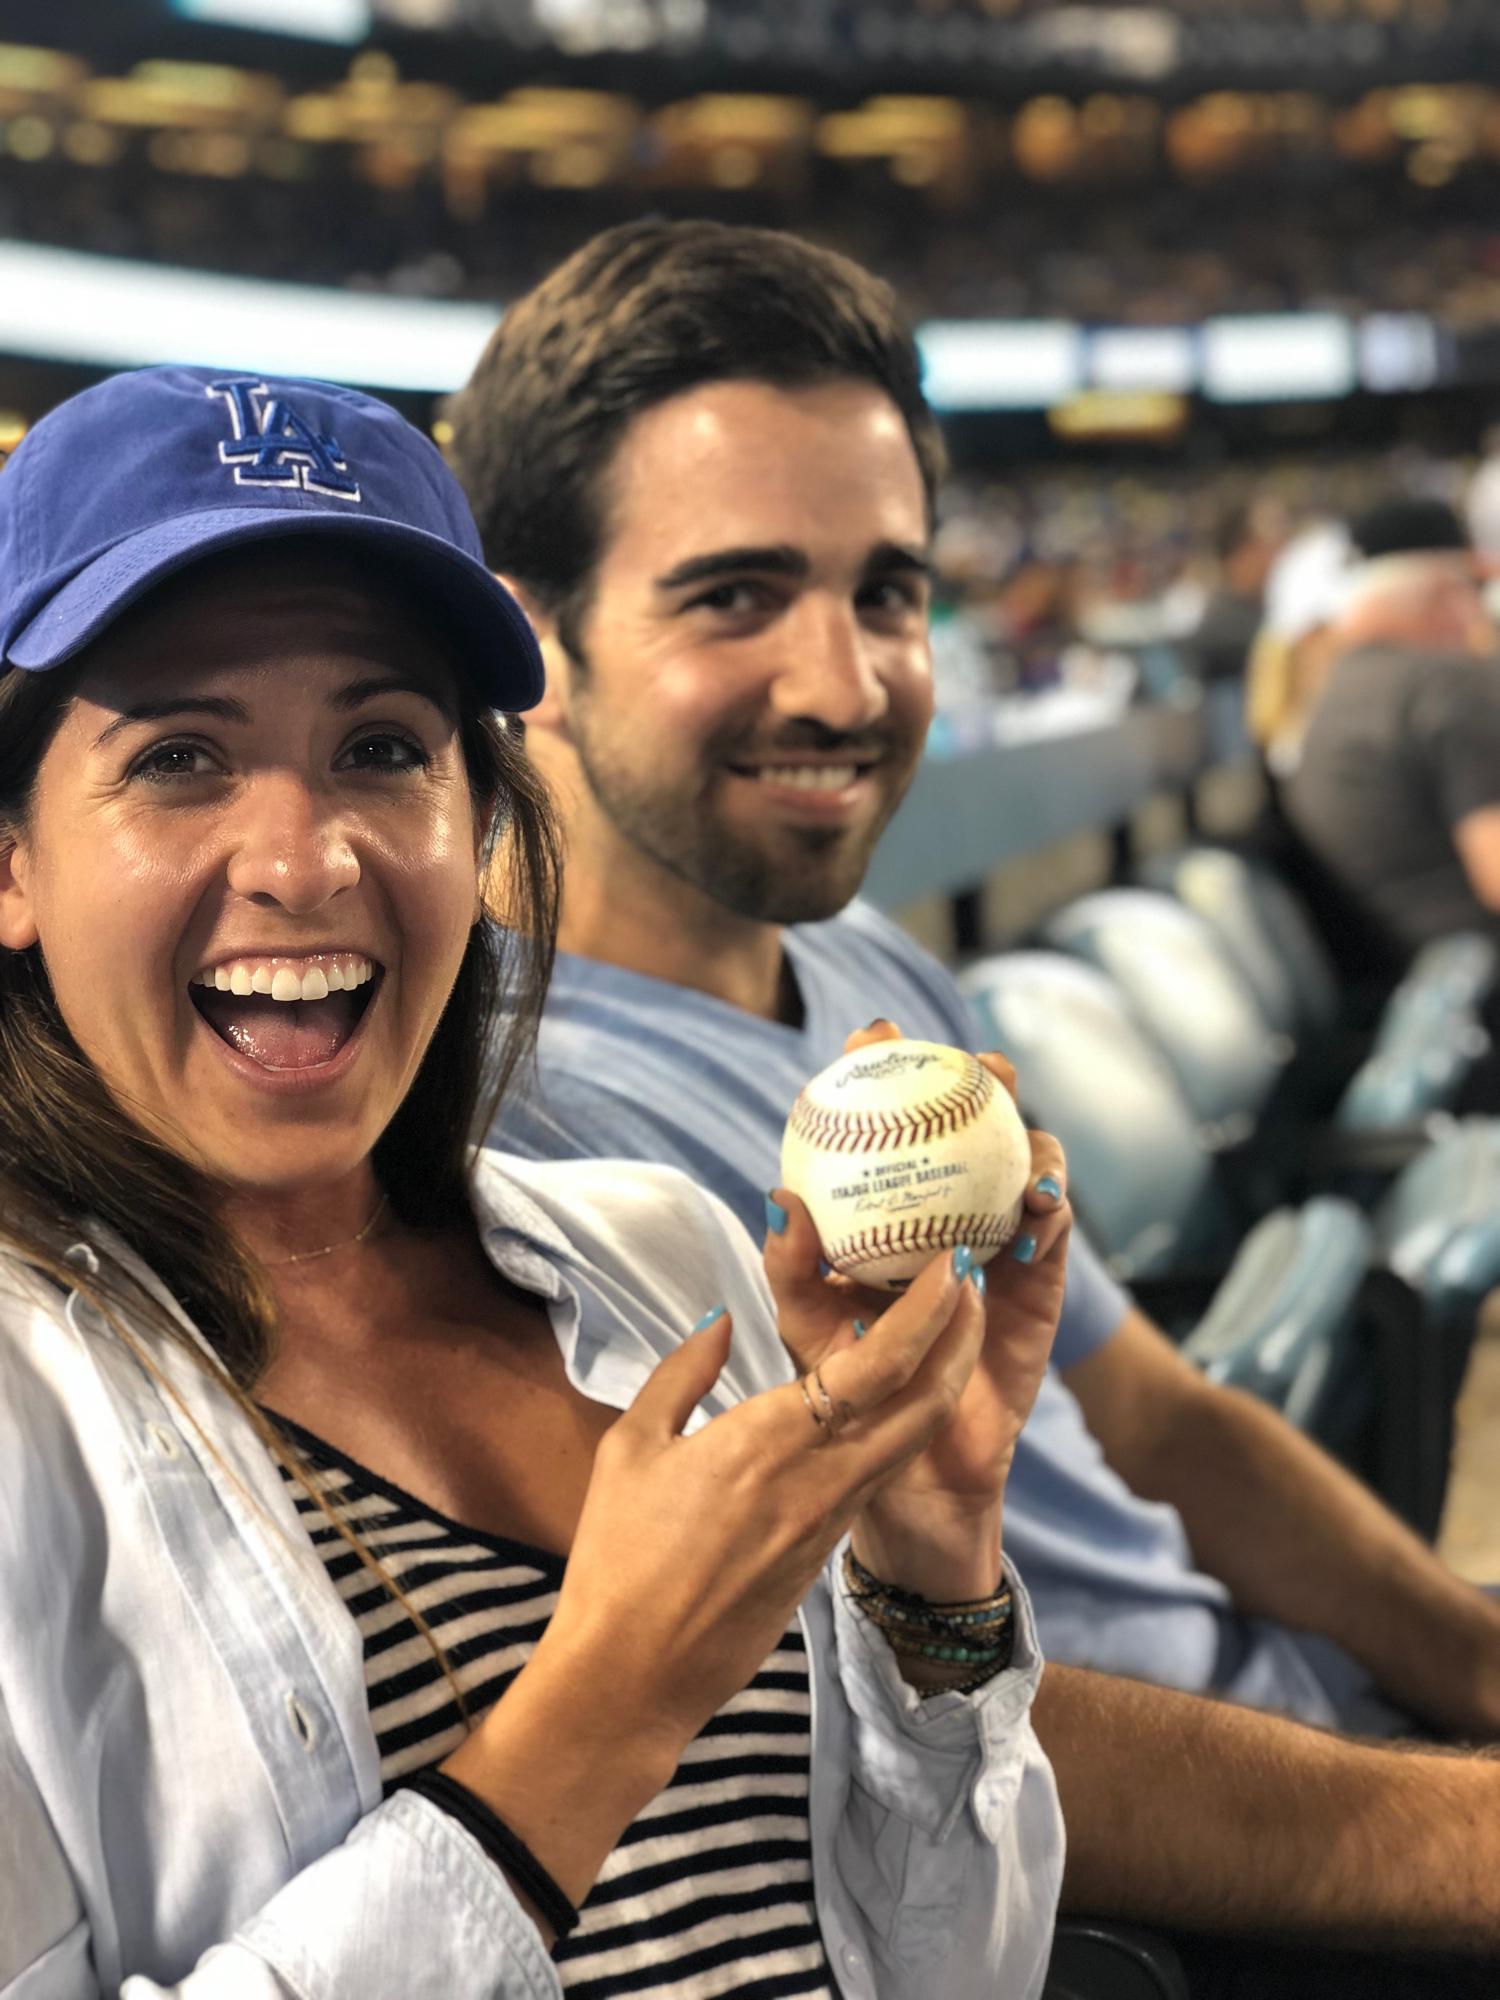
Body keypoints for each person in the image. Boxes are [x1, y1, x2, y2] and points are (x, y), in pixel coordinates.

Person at [448, 217, 1500, 1989]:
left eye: (888, 590)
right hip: (1148, 1915)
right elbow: (838, 1734)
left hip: (1310, 1741)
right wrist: (1456, 1838)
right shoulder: (484, 1132)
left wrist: (1474, 1665)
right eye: (733, 595)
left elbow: (1158, 1417)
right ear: (529, 641)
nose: (847, 684)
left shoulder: (864, 968)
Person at [0, 365, 1071, 1998]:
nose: (303, 859)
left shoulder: (670, 1255)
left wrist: (931, 1563)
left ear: (483, 822)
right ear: (14, 859)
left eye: (382, 747)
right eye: (180, 760)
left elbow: (954, 1972)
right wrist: (595, 1719)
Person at [1281, 499, 1500, 976]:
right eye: (1475, 587)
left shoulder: (1342, 686)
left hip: (1408, 967)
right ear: (1443, 592)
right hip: (1471, 971)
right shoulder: (1447, 684)